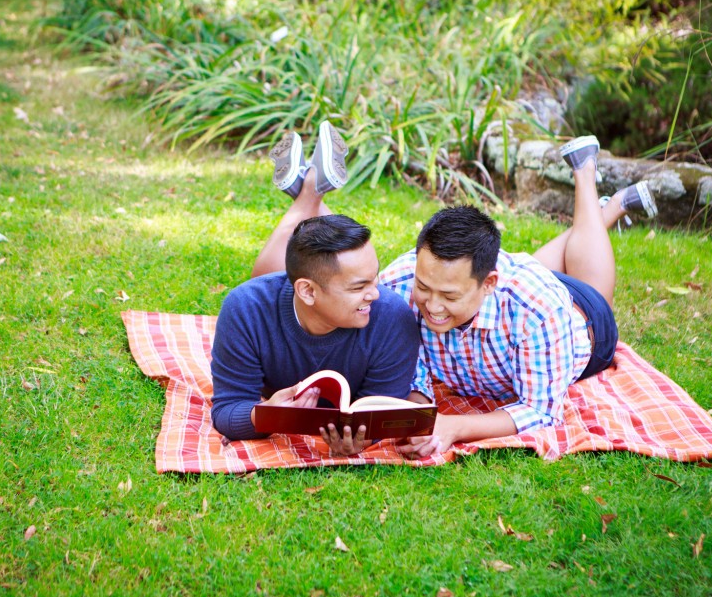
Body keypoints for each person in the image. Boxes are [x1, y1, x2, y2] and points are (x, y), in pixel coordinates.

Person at [382, 135, 658, 458]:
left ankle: (590, 178)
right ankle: (599, 214)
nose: (432, 305)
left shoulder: (539, 310)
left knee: (585, 274)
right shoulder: (400, 282)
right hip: (522, 281)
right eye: (424, 288)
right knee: (534, 267)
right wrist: (418, 414)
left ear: (489, 283)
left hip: (583, 316)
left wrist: (452, 426)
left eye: (448, 296)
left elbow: (539, 410)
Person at [210, 121, 419, 456]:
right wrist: (265, 415)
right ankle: (310, 189)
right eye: (359, 286)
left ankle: (306, 191)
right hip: (280, 295)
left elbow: (385, 407)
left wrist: (366, 439)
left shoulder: (393, 318)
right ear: (307, 291)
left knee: (303, 260)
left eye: (375, 277)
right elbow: (226, 410)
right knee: (261, 280)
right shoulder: (245, 309)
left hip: (303, 285)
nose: (375, 294)